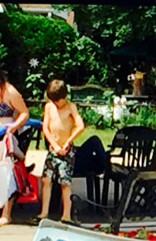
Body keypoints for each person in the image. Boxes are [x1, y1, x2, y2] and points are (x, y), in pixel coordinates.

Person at [38, 79, 107, 223]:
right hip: (53, 149)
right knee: (46, 179)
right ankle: (44, 212)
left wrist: (68, 141)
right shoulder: (50, 107)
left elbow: (80, 125)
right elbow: (45, 128)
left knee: (65, 182)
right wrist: (54, 145)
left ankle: (66, 214)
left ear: (65, 97)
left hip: (67, 150)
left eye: (59, 100)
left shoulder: (71, 107)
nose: (57, 103)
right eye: (54, 100)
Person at [0, 58, 29, 226]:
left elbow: (24, 113)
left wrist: (14, 126)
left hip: (1, 135)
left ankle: (6, 214)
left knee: (3, 173)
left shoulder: (8, 91)